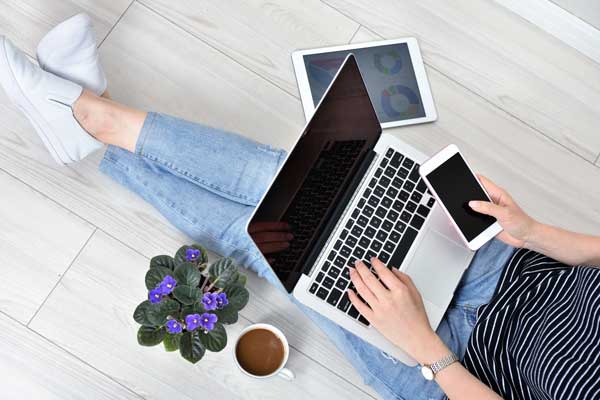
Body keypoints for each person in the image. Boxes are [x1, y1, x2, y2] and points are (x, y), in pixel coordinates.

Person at [1, 15, 599, 400]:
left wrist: (422, 344)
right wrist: (532, 230)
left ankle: (87, 114)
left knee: (274, 243)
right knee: (303, 179)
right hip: (505, 258)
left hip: (450, 361)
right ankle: (91, 117)